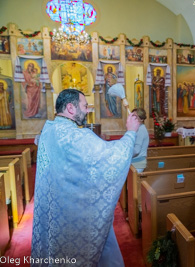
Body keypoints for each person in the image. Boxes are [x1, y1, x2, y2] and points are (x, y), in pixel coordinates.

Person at [31, 89, 140, 266]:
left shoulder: (48, 130)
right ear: (70, 108)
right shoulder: (75, 135)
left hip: (54, 212)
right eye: (84, 105)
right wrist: (131, 132)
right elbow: (112, 157)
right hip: (74, 215)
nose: (88, 109)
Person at [130, 108, 149, 173]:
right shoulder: (139, 128)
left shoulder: (140, 130)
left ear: (141, 119)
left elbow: (136, 150)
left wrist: (125, 155)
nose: (133, 118)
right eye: (132, 116)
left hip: (137, 164)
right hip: (136, 163)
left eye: (135, 116)